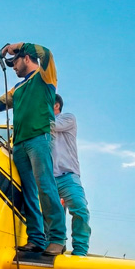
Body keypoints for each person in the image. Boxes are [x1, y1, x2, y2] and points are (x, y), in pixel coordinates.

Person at [0, 42, 67, 256]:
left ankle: (56, 238)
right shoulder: (16, 89)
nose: (13, 67)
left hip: (39, 138)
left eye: (14, 62)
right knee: (28, 192)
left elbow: (46, 53)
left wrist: (17, 45)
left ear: (26, 58)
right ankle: (36, 238)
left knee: (45, 186)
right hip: (19, 144)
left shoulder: (45, 77)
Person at [50, 94, 90, 256]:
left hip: (68, 176)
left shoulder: (67, 118)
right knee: (50, 214)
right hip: (49, 178)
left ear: (56, 105)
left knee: (80, 209)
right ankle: (56, 244)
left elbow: (50, 125)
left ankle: (80, 250)